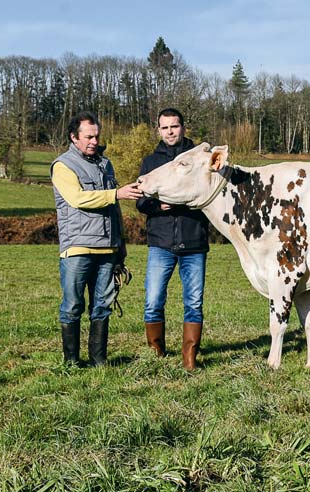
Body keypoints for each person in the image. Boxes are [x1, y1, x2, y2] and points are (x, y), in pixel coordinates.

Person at [51, 110, 143, 367]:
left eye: (96, 136)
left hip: (108, 250)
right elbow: (78, 199)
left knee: (102, 307)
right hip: (77, 249)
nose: (94, 141)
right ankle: (71, 362)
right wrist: (116, 193)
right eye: (89, 136)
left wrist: (120, 246)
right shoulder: (63, 166)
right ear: (73, 137)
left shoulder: (106, 165)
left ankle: (98, 361)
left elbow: (114, 212)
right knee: (72, 306)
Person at [136, 108, 208, 370]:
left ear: (183, 128)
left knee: (194, 302)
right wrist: (159, 207)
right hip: (161, 242)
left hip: (194, 242)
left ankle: (189, 357)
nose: (170, 132)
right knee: (153, 300)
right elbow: (141, 201)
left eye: (174, 126)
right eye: (165, 127)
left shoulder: (198, 160)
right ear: (159, 130)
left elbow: (206, 194)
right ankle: (156, 353)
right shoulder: (150, 162)